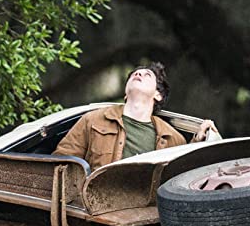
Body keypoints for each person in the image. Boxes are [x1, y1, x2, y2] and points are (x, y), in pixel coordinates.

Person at [54, 62, 217, 170]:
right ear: (125, 93)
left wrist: (199, 140)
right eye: (135, 74)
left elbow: (183, 177)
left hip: (145, 211)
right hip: (97, 207)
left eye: (147, 75)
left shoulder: (173, 139)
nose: (138, 74)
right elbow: (61, 164)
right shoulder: (93, 119)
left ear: (158, 95)